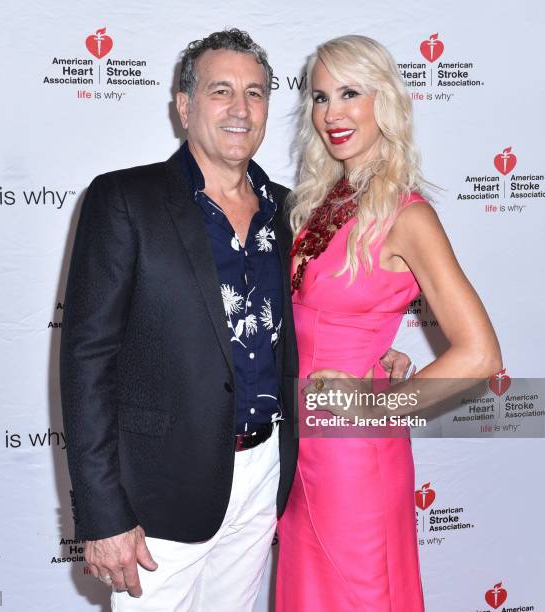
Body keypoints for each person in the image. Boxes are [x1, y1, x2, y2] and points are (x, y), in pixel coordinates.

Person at [60, 28, 410, 611]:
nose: (240, 109)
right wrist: (102, 515)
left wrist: (377, 356)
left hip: (266, 476)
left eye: (256, 93)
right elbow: (86, 363)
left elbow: (318, 316)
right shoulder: (124, 199)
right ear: (183, 105)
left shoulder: (293, 210)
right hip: (159, 495)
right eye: (221, 91)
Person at [275, 35, 502, 611]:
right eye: (321, 98)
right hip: (299, 450)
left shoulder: (409, 215)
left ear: (386, 101)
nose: (333, 113)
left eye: (350, 93)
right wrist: (381, 350)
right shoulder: (323, 200)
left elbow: (479, 356)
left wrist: (374, 406)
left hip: (355, 459)